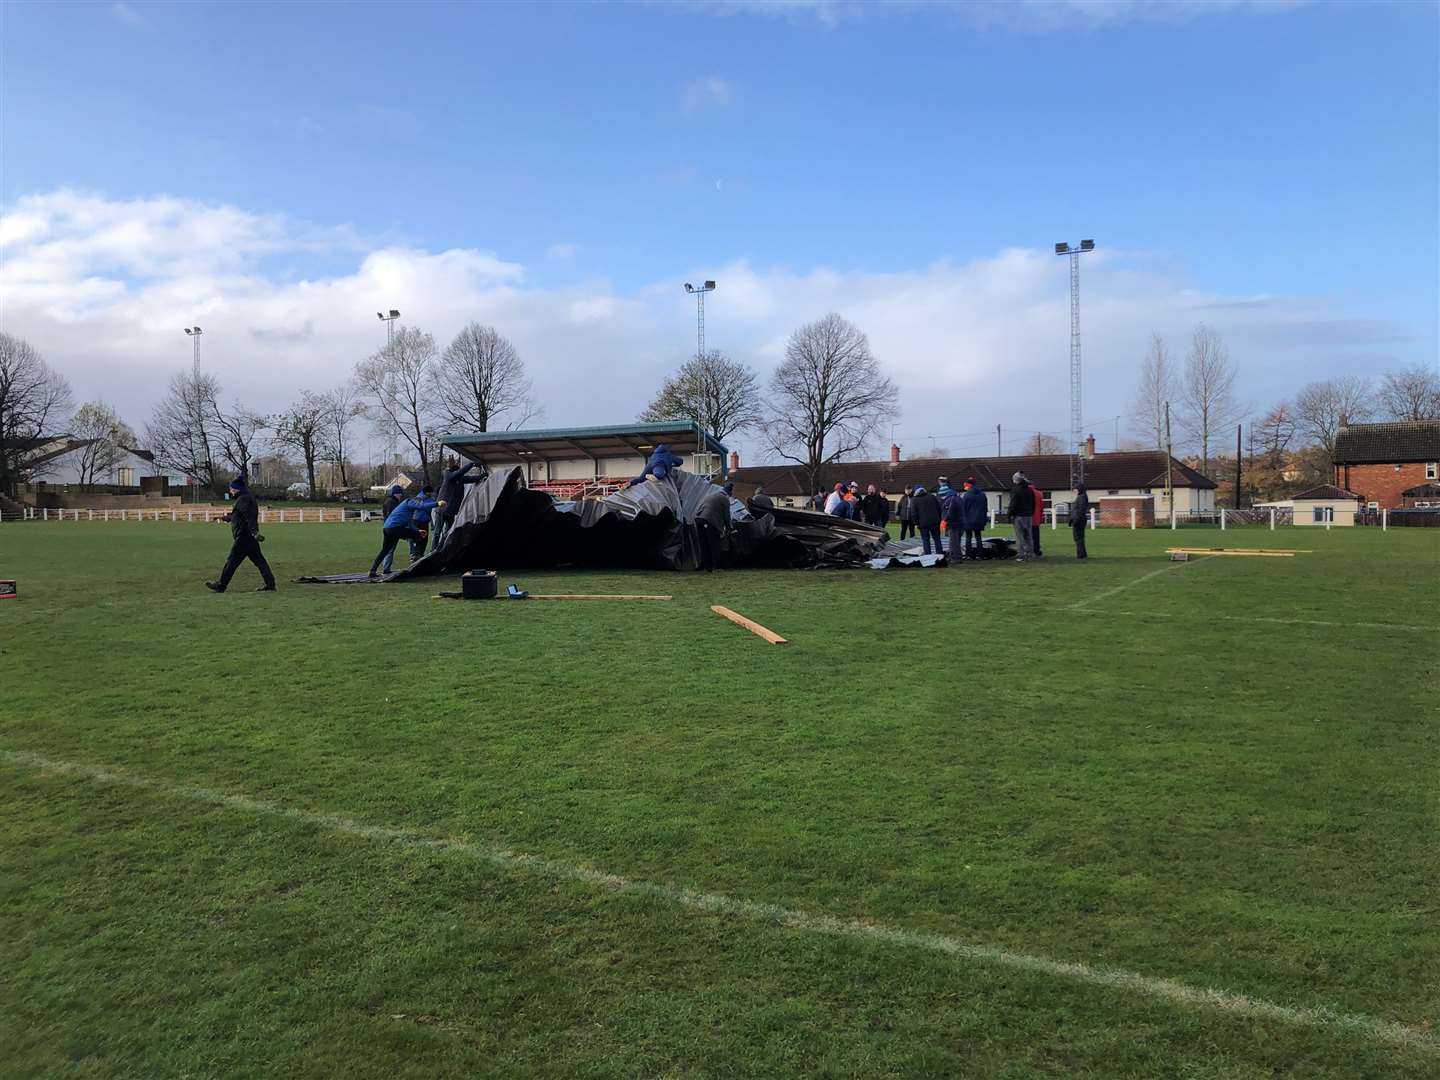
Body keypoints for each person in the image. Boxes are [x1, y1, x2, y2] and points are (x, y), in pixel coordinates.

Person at [205, 473, 276, 592]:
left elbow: (249, 517)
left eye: (231, 489)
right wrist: (223, 518)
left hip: (244, 536)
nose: (230, 492)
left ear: (236, 489)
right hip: (249, 537)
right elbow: (237, 516)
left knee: (232, 561)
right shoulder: (245, 498)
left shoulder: (243, 499)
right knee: (260, 561)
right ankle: (270, 584)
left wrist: (254, 532)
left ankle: (221, 585)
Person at [370, 486, 442, 578]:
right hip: (395, 528)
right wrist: (437, 504)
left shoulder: (407, 510)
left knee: (385, 550)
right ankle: (416, 556)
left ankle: (372, 570)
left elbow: (410, 523)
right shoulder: (409, 502)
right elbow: (422, 507)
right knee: (418, 536)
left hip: (387, 528)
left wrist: (418, 530)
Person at [431, 458, 480, 551]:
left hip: (451, 511)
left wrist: (481, 476)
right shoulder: (448, 476)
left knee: (448, 532)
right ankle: (434, 549)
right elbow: (459, 473)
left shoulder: (459, 479)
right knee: (438, 532)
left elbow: (471, 479)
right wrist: (471, 464)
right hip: (442, 510)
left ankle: (442, 549)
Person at [696, 483, 732, 572]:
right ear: (729, 493)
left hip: (699, 521)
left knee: (704, 546)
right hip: (710, 522)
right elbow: (727, 516)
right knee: (714, 545)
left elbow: (699, 510)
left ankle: (707, 567)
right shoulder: (724, 499)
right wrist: (729, 527)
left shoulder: (710, 496)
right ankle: (718, 567)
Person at [1008, 472, 1035, 561]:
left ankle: (1021, 555)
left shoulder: (1015, 490)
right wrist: (1031, 513)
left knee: (1019, 537)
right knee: (1029, 536)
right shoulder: (1030, 490)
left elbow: (1013, 504)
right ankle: (1030, 554)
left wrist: (1010, 515)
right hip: (1029, 516)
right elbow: (1033, 503)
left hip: (1018, 516)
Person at [378, 484, 404, 574]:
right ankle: (386, 568)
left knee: (389, 549)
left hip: (389, 527)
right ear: (395, 494)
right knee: (389, 549)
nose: (401, 495)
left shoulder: (391, 501)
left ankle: (386, 568)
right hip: (392, 528)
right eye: (400, 494)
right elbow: (392, 516)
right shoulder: (391, 502)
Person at [960, 477, 987, 559]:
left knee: (968, 537)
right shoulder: (982, 495)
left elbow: (963, 508)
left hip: (968, 520)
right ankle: (980, 554)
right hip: (979, 519)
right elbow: (985, 508)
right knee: (978, 537)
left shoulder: (966, 495)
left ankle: (969, 555)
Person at [911, 484, 942, 555]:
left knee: (925, 540)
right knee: (937, 539)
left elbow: (914, 514)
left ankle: (928, 557)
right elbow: (939, 509)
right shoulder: (932, 496)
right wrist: (939, 519)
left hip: (923, 524)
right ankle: (940, 555)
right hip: (935, 522)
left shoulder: (914, 500)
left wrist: (916, 523)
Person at [940, 477, 965, 562]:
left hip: (954, 524)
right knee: (957, 542)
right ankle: (957, 557)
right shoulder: (959, 499)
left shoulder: (951, 500)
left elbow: (949, 512)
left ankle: (955, 558)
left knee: (953, 543)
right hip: (960, 524)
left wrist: (944, 520)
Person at [1071, 484, 1091, 559]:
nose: (1074, 491)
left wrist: (1076, 520)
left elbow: (1081, 510)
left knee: (1078, 538)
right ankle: (1081, 554)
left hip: (1079, 520)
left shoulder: (1082, 497)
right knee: (1078, 538)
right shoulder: (1081, 497)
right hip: (1078, 519)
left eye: (1076, 490)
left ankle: (1081, 554)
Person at [1029, 479, 1045, 558]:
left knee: (1027, 535)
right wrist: (1041, 516)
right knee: (1036, 535)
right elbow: (1042, 507)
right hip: (1037, 517)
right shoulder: (1039, 493)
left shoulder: (1027, 492)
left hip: (1028, 517)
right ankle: (1037, 550)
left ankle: (1029, 550)